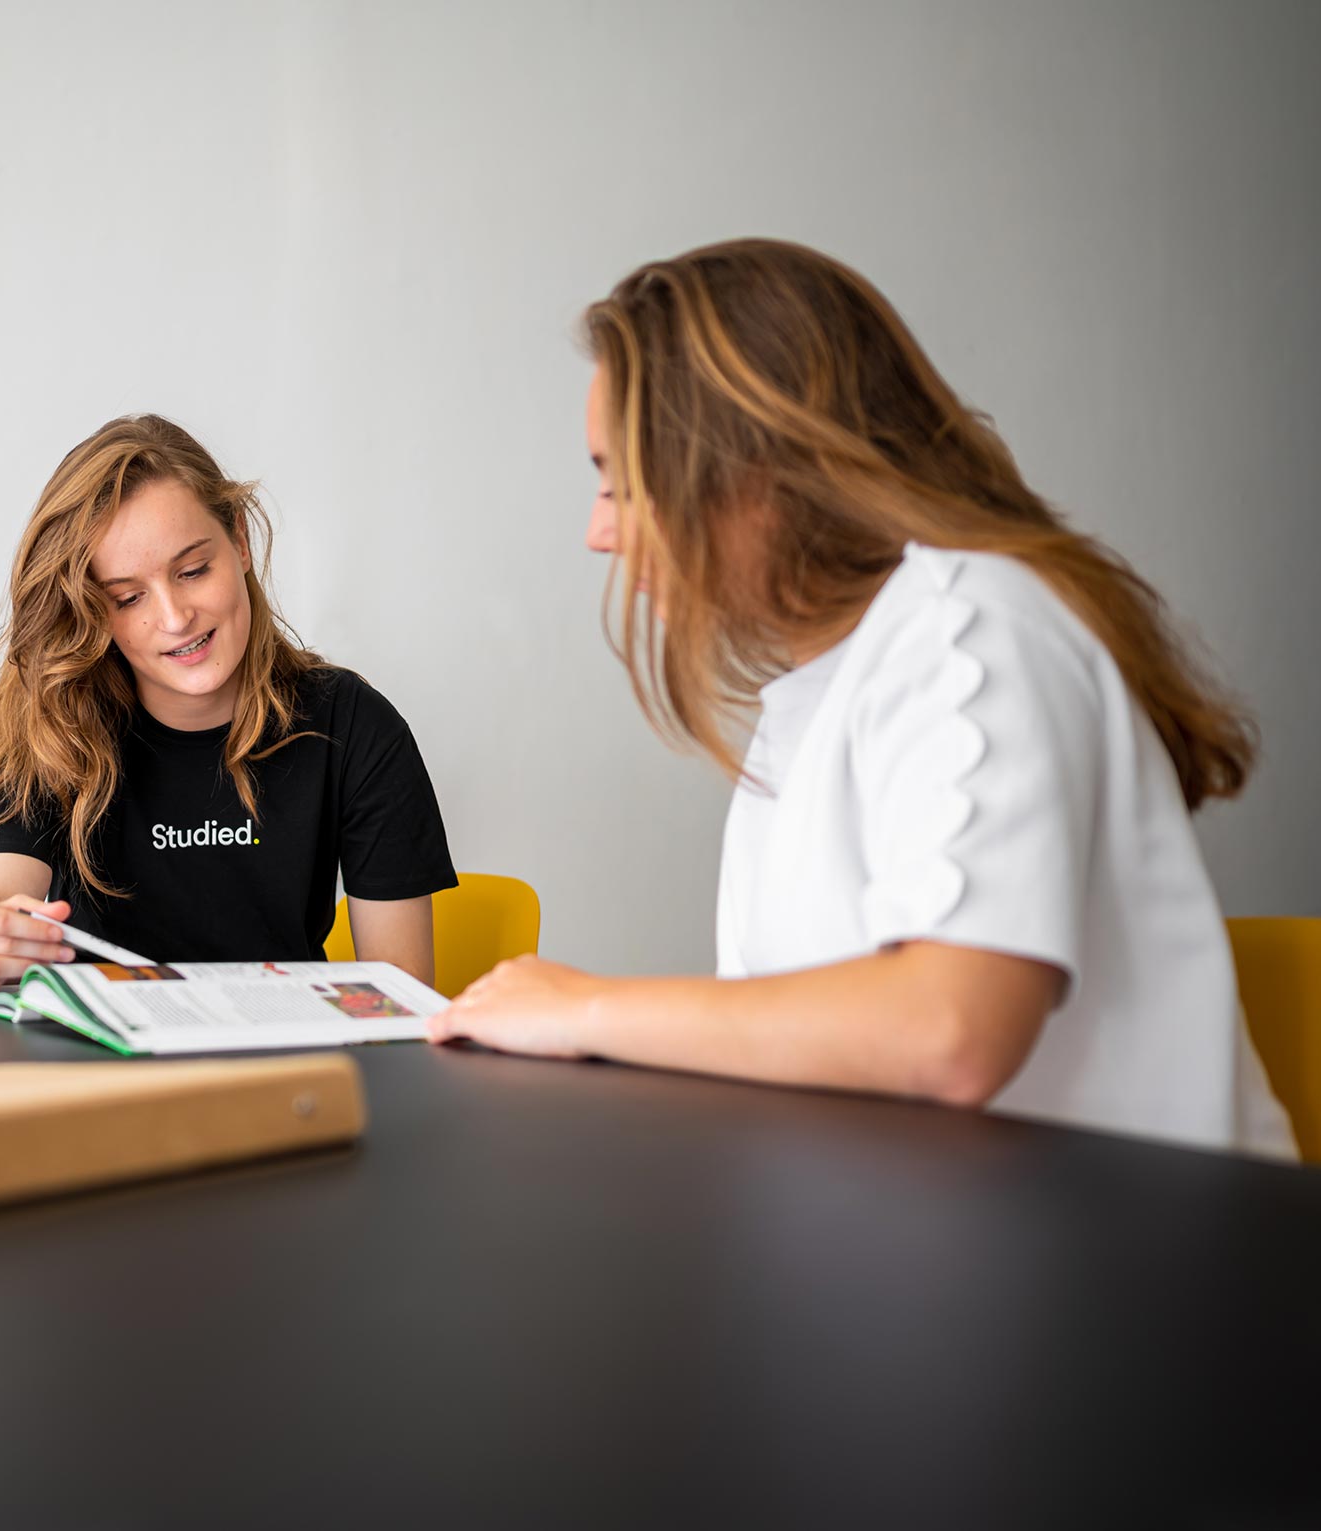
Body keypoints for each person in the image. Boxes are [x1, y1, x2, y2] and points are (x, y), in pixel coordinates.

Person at [429, 238, 1293, 1158]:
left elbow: (948, 1032)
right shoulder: (816, 695)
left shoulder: (973, 629)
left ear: (755, 472)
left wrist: (584, 1006)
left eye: (622, 480)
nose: (600, 530)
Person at [0, 414, 457, 1002]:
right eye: (128, 597)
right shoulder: (50, 722)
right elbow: (0, 893)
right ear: (92, 610)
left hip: (287, 1080)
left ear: (239, 541)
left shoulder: (350, 721)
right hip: (93, 1082)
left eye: (193, 570)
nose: (176, 617)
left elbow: (400, 1001)